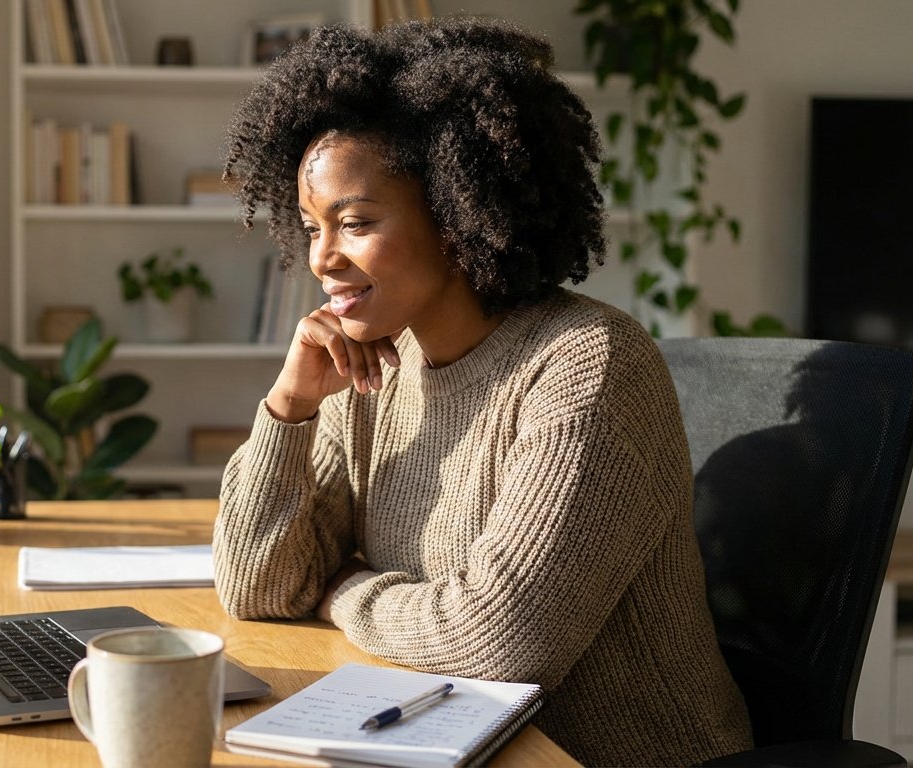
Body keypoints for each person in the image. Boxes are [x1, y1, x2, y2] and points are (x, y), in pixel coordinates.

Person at [212, 19, 753, 766]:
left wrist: (342, 591)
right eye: (311, 228)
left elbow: (501, 640)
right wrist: (290, 409)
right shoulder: (370, 366)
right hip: (446, 741)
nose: (324, 258)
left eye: (356, 222)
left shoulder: (587, 364)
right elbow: (258, 587)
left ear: (458, 213)